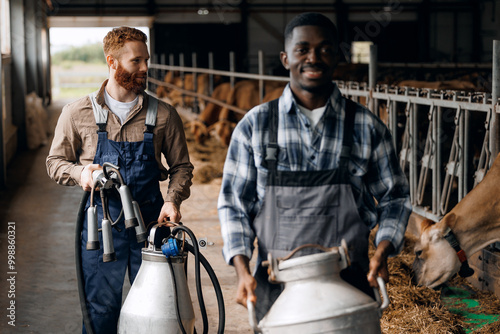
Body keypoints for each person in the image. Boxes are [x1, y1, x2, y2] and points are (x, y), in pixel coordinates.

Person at [218, 12, 412, 322]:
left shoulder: (366, 126)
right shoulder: (255, 126)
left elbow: (396, 197)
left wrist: (383, 251)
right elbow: (233, 204)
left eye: (324, 49)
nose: (313, 58)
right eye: (302, 49)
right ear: (285, 58)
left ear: (337, 56)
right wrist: (242, 270)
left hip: (349, 285)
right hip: (277, 286)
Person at [46, 27, 193, 333]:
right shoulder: (77, 113)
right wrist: (81, 172)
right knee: (101, 308)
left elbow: (182, 166)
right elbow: (55, 163)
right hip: (101, 225)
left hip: (153, 223)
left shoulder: (164, 115)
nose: (144, 68)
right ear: (112, 62)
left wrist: (172, 200)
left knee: (162, 309)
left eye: (146, 60)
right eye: (136, 61)